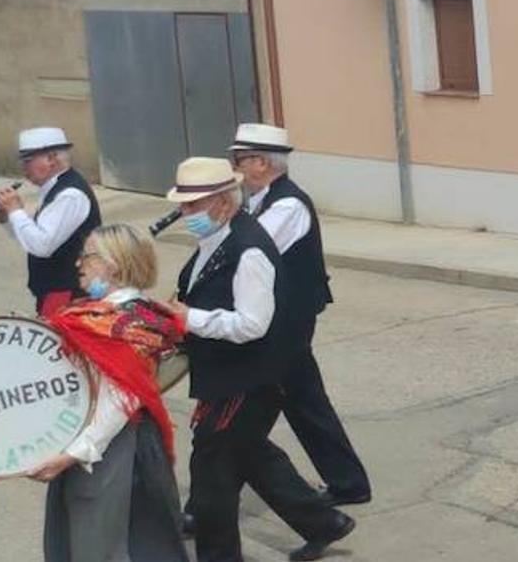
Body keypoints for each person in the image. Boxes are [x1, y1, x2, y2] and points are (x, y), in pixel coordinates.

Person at [155, 158, 355, 562]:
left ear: (223, 202)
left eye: (193, 206)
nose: (185, 215)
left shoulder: (248, 250)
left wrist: (187, 318)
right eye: (184, 206)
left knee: (212, 472)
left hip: (248, 378)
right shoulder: (218, 239)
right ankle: (322, 522)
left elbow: (252, 324)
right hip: (228, 374)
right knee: (249, 454)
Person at [28, 223, 189, 562]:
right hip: (108, 442)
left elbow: (120, 400)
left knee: (99, 546)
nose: (78, 264)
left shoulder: (127, 324)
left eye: (87, 256)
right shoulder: (109, 314)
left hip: (108, 449)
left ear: (112, 264)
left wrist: (74, 453)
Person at [228, 123, 371, 504]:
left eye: (239, 159)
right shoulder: (259, 200)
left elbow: (249, 250)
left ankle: (215, 495)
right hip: (278, 317)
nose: (235, 167)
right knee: (303, 401)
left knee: (256, 410)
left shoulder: (288, 204)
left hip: (288, 318)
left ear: (261, 163)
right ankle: (348, 483)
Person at [0, 127, 101, 316]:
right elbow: (32, 240)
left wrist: (16, 211)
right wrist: (7, 219)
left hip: (67, 292)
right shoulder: (55, 189)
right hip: (54, 291)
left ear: (51, 159)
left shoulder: (70, 195)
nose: (24, 169)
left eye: (28, 161)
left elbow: (42, 247)